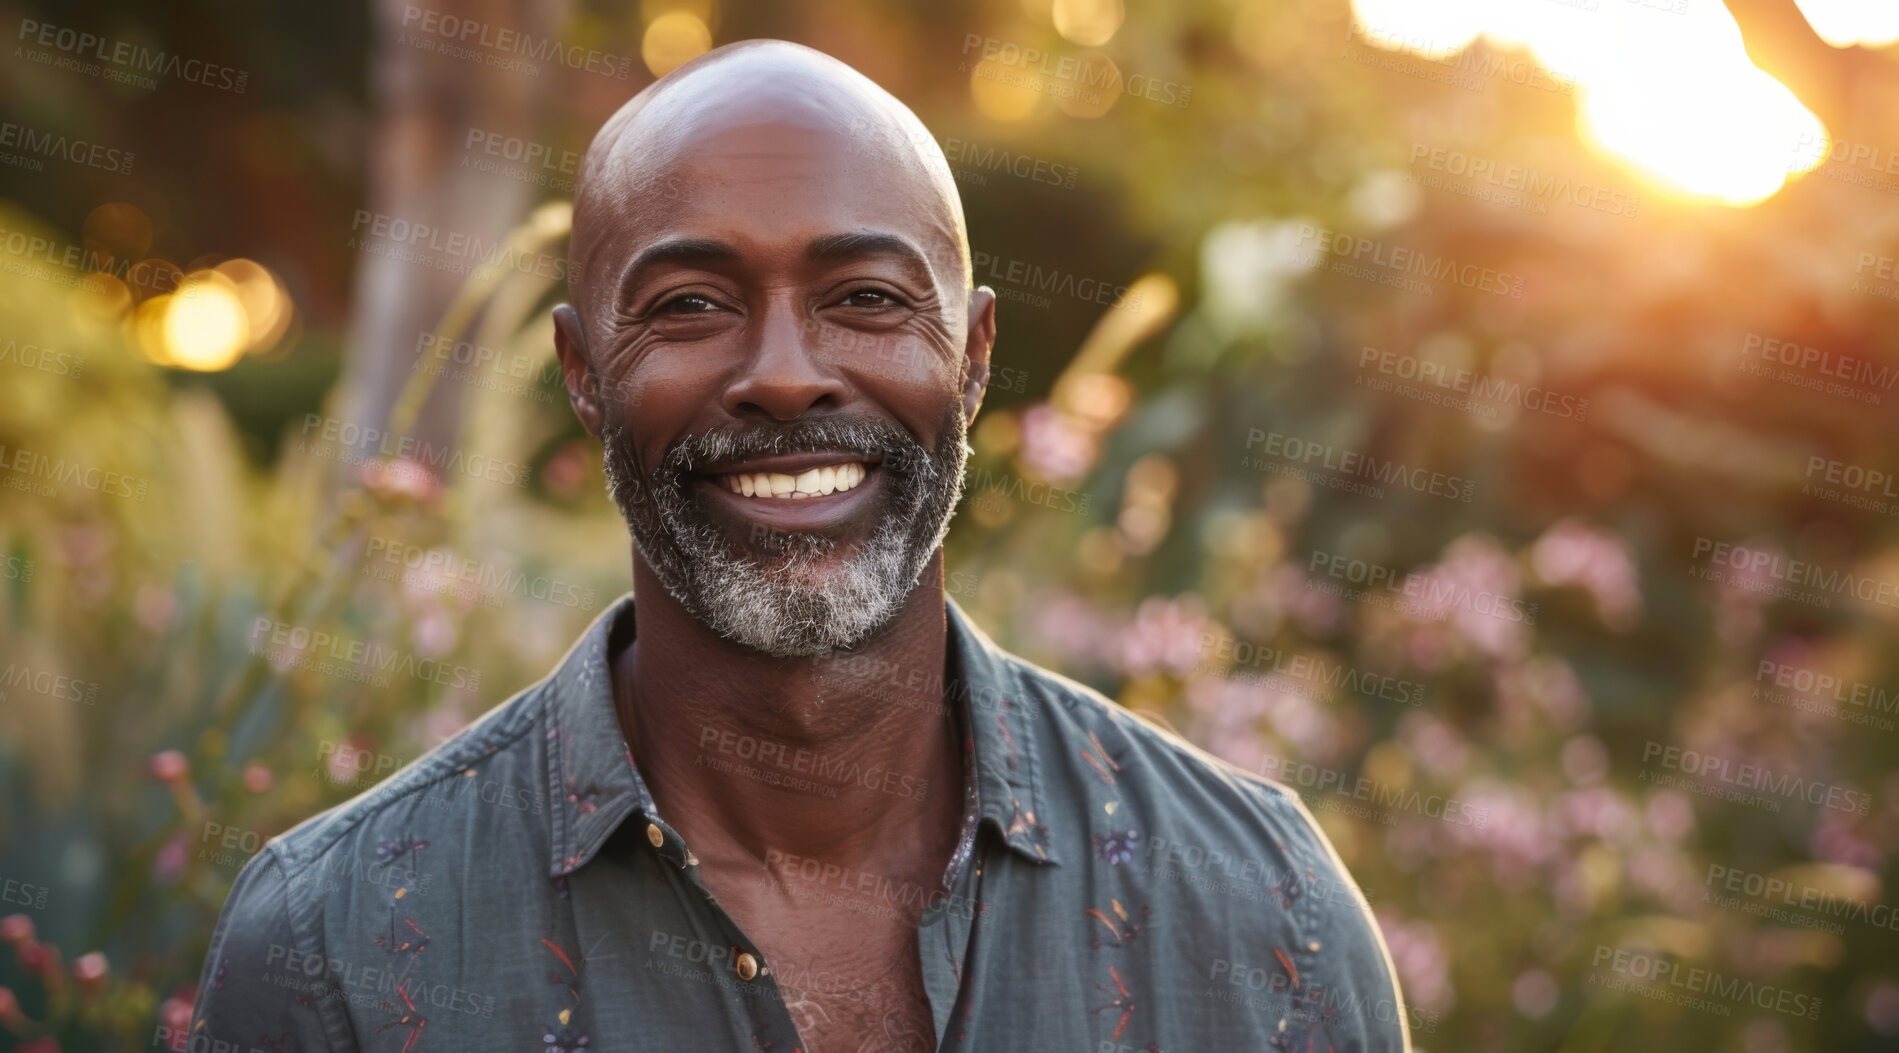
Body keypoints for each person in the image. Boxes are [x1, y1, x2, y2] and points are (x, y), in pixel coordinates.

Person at [193, 39, 1411, 1053]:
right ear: (581, 375)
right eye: (691, 307)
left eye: (868, 298)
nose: (782, 376)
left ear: (973, 356)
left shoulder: (1260, 918)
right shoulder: (337, 952)